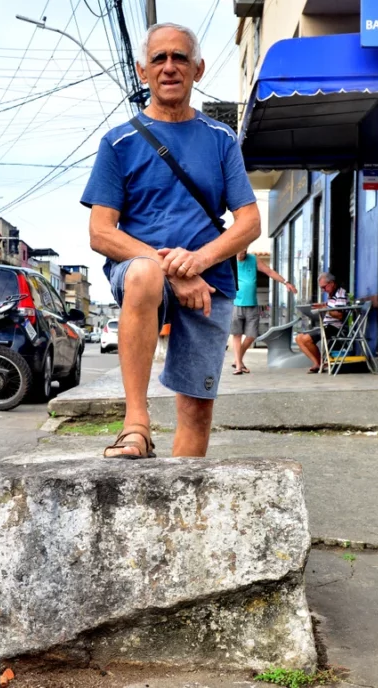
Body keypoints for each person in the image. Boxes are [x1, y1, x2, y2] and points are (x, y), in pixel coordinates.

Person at [82, 22, 260, 459]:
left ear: (197, 70)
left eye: (180, 57)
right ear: (143, 71)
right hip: (141, 271)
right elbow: (101, 232)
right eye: (159, 58)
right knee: (144, 274)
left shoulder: (221, 140)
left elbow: (249, 222)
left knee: (197, 414)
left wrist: (195, 263)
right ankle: (135, 426)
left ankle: (178, 510)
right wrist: (169, 269)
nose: (169, 67)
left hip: (209, 279)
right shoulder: (118, 142)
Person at [230, 251, 295, 375]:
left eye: (244, 249)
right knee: (237, 335)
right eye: (239, 250)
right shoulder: (229, 260)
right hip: (235, 304)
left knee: (252, 335)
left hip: (252, 304)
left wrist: (285, 282)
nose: (242, 253)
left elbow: (269, 271)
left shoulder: (253, 259)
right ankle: (239, 365)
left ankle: (238, 360)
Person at [296, 272, 349, 374]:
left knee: (306, 339)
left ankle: (319, 364)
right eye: (322, 288)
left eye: (324, 287)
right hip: (327, 325)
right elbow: (332, 307)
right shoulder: (331, 295)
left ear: (332, 283)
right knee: (298, 338)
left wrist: (325, 308)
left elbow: (339, 314)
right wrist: (322, 305)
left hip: (334, 327)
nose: (323, 290)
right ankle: (319, 363)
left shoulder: (340, 293)